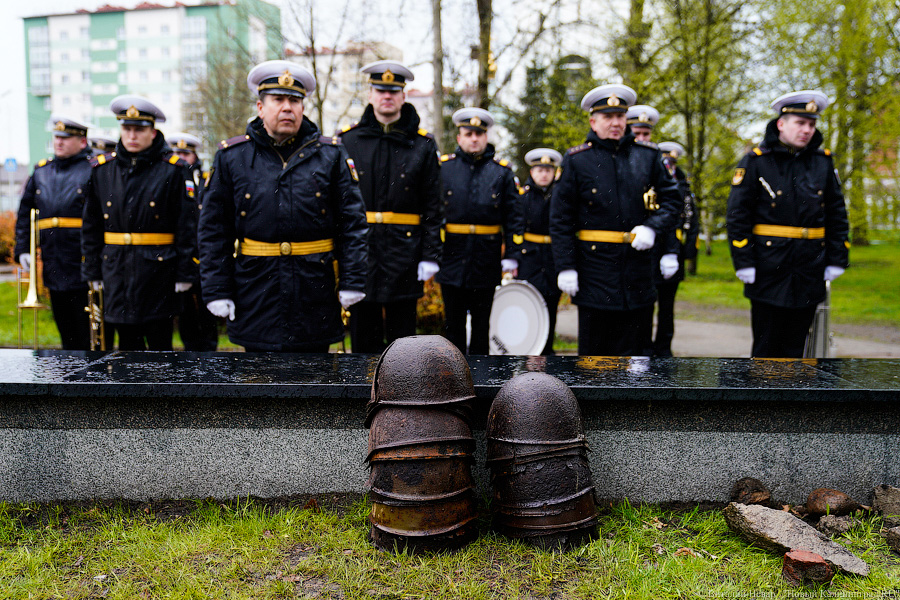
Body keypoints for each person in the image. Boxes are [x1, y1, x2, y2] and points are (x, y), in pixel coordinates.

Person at [198, 60, 368, 352]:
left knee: (316, 382)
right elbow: (214, 230)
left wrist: (353, 280)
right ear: (260, 107)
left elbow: (352, 223)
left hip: (314, 289)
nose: (287, 107)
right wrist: (216, 289)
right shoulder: (232, 157)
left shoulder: (330, 155)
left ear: (303, 108)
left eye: (295, 100)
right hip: (255, 289)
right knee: (258, 384)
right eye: (278, 100)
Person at [550, 84, 682, 356]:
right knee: (594, 358)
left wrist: (653, 227)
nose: (615, 123)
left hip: (638, 272)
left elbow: (673, 202)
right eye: (608, 117)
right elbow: (561, 219)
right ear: (593, 121)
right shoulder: (577, 160)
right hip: (594, 272)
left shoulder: (648, 156)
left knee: (637, 357)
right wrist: (566, 266)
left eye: (620, 116)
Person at [726, 90, 850, 358]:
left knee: (798, 348)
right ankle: (762, 399)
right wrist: (743, 260)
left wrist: (837, 258)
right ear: (781, 123)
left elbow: (837, 214)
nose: (807, 130)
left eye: (812, 124)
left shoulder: (822, 162)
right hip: (768, 266)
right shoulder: (756, 161)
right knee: (766, 346)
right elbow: (738, 215)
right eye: (800, 123)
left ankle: (794, 400)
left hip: (809, 266)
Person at [337, 60, 442, 353]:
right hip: (362, 250)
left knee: (403, 343)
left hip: (404, 252)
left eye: (394, 91)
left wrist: (430, 255)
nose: (387, 96)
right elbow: (339, 204)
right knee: (362, 338)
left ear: (403, 96)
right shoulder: (348, 139)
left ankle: (403, 396)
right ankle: (360, 394)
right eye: (381, 90)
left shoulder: (422, 144)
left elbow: (433, 205)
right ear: (370, 94)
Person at [81, 96, 196, 351]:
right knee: (126, 346)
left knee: (160, 346)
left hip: (159, 271)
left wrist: (185, 272)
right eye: (127, 128)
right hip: (116, 269)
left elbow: (187, 227)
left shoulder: (174, 170)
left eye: (139, 129)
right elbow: (90, 226)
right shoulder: (102, 169)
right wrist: (92, 270)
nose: (132, 135)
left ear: (153, 132)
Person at [437, 107, 523, 355]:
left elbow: (514, 217)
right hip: (451, 256)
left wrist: (512, 254)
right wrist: (431, 253)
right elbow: (433, 214)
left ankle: (480, 378)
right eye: (468, 133)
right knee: (452, 324)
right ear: (459, 137)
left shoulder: (502, 172)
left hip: (486, 258)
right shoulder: (444, 168)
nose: (474, 138)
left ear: (486, 136)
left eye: (479, 133)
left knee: (482, 324)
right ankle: (452, 380)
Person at [15, 115, 93, 350]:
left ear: (82, 141)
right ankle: (68, 378)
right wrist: (22, 249)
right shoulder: (41, 171)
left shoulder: (92, 169)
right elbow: (24, 213)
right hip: (53, 259)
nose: (59, 142)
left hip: (82, 259)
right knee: (65, 328)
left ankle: (89, 378)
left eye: (66, 138)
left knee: (85, 329)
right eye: (57, 137)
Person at [166, 132, 219, 351]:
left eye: (185, 153)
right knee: (186, 306)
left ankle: (210, 347)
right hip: (184, 256)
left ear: (194, 155)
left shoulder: (207, 178)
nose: (182, 157)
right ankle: (189, 347)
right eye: (177, 152)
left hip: (205, 254)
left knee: (208, 304)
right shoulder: (171, 176)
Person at [517, 148, 563, 355]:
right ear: (532, 171)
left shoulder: (561, 196)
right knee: (529, 306)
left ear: (554, 172)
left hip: (554, 258)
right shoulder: (522, 196)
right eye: (539, 170)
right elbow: (515, 229)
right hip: (530, 259)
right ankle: (529, 350)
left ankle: (548, 350)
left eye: (548, 170)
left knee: (551, 304)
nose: (544, 174)